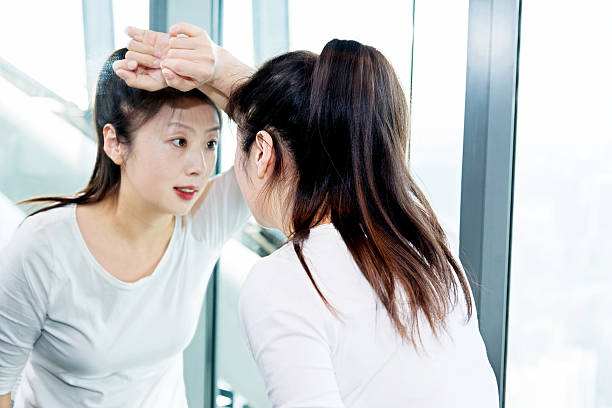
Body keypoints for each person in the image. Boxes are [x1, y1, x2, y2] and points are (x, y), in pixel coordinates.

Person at [118, 23, 500, 407]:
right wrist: (218, 68)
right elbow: (316, 123)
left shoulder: (285, 283)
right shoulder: (429, 242)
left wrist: (221, 69)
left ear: (262, 153)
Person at [0, 46, 250, 407]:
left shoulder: (201, 223)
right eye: (179, 141)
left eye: (210, 143)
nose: (199, 165)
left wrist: (215, 72)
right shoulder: (44, 247)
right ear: (115, 143)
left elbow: (295, 139)